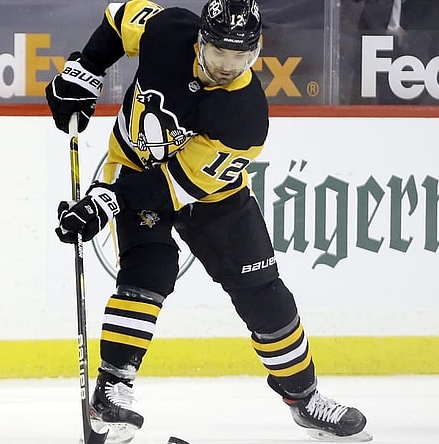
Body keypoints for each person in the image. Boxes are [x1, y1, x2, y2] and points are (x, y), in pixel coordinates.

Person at [45, 0, 371, 442]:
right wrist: (85, 69)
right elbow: (119, 17)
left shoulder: (246, 116)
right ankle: (112, 389)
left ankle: (304, 397)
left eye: (242, 56)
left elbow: (172, 187)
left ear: (256, 51)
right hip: (135, 168)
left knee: (264, 295)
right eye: (220, 53)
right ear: (200, 38)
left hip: (210, 193)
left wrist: (105, 201)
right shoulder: (168, 30)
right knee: (148, 271)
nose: (228, 66)